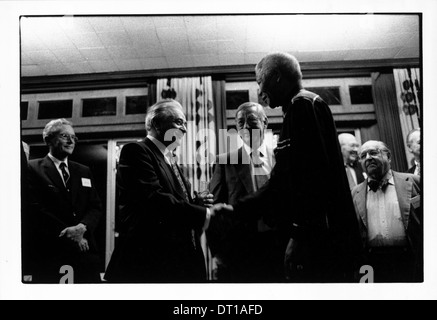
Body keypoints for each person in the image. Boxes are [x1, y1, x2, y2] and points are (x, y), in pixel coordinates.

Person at [212, 52, 362, 282]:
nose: (260, 91)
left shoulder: (302, 107)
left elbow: (310, 181)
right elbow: (285, 180)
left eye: (260, 82)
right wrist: (238, 210)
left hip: (316, 238)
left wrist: (299, 235)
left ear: (278, 78)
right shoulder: (303, 105)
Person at [104, 99, 222, 283]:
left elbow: (174, 203)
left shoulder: (171, 160)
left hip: (178, 260)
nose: (184, 129)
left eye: (185, 124)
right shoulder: (135, 150)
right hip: (148, 263)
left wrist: (196, 202)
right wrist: (205, 213)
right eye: (178, 122)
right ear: (157, 124)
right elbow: (154, 199)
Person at [209, 102, 284, 282]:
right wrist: (218, 253)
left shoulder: (280, 158)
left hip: (280, 245)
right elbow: (214, 209)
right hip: (240, 251)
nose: (245, 127)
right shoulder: (225, 161)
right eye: (240, 122)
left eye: (251, 120)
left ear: (265, 123)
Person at [27, 119, 103, 283]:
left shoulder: (84, 170)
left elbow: (95, 206)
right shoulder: (32, 168)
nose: (71, 141)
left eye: (73, 137)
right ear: (48, 140)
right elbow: (34, 208)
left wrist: (82, 228)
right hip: (51, 252)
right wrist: (68, 233)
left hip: (85, 251)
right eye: (64, 136)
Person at [351, 140, 422, 282]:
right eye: (363, 155)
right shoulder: (355, 193)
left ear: (388, 157)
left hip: (410, 258)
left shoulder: (414, 182)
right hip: (372, 263)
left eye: (374, 152)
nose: (368, 157)